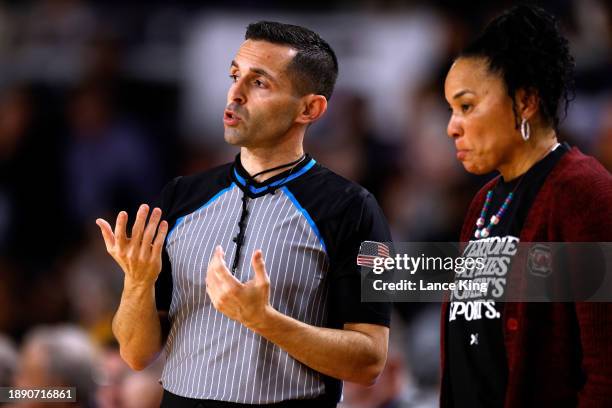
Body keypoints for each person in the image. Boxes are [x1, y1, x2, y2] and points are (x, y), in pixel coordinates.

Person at [96, 21, 391, 407]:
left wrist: (265, 320)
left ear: (310, 108)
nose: (234, 94)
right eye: (234, 76)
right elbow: (136, 355)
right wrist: (137, 283)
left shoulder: (355, 207)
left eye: (259, 83)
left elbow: (371, 360)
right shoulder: (181, 195)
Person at [441, 5, 612, 407]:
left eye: (466, 106)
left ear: (525, 101)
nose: (452, 126)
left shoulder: (585, 193)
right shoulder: (483, 202)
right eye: (451, 109)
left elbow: (606, 375)